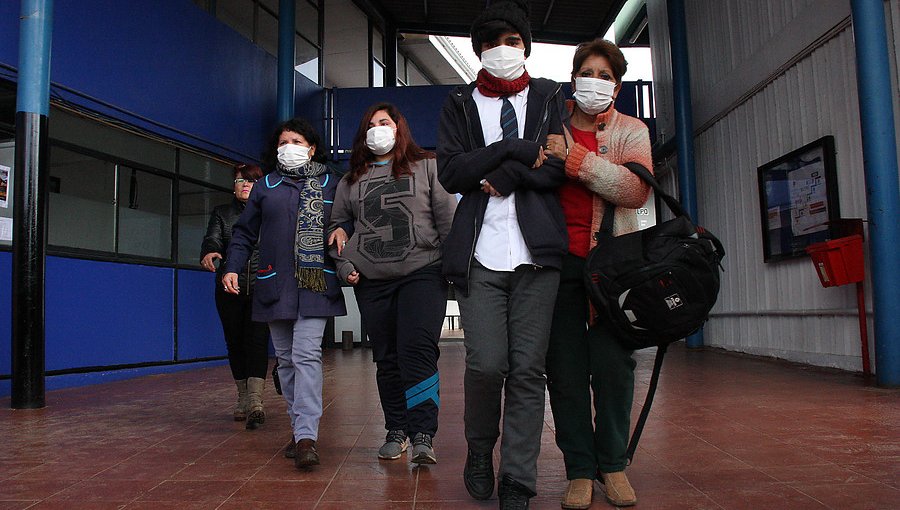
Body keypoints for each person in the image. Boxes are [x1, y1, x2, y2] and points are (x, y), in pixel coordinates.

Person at [436, 1, 568, 508]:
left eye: (513, 41)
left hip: (538, 253)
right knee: (488, 363)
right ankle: (478, 450)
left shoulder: (551, 95)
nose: (504, 50)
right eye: (493, 42)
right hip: (479, 253)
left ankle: (518, 476)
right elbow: (451, 172)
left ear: (526, 46)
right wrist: (512, 150)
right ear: (479, 52)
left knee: (528, 369)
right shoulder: (459, 104)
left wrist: (503, 172)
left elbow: (556, 167)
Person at [543, 39, 653, 509]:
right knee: (564, 372)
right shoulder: (549, 127)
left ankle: (613, 465)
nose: (596, 81)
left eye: (605, 75)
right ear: (574, 79)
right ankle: (580, 471)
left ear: (617, 85)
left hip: (613, 268)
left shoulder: (632, 130)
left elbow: (634, 189)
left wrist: (576, 161)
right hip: (558, 264)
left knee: (614, 368)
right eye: (588, 72)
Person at [327, 102, 457, 465]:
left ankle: (422, 434)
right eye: (370, 124)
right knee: (387, 358)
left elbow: (447, 217)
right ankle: (396, 429)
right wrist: (343, 264)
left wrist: (455, 268)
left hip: (423, 272)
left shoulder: (428, 165)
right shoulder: (350, 180)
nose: (377, 129)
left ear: (400, 128)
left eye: (384, 122)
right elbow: (336, 228)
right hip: (373, 280)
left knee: (416, 349)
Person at [224, 118, 346, 469]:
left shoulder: (331, 184)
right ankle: (298, 428)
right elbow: (245, 233)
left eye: (295, 140)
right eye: (282, 142)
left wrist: (342, 232)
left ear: (311, 147)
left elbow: (345, 221)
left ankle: (307, 435)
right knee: (288, 361)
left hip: (314, 284)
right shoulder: (266, 186)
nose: (288, 146)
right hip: (274, 284)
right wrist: (233, 266)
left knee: (306, 356)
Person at [200, 163, 270, 428]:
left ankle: (255, 402)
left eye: (250, 181)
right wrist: (209, 251)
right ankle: (242, 398)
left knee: (257, 342)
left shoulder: (268, 214)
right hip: (229, 289)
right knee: (235, 342)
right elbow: (212, 239)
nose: (244, 185)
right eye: (240, 181)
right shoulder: (222, 213)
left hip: (262, 287)